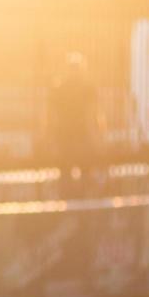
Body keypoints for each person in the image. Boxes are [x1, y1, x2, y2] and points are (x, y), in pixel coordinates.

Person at [44, 52, 106, 199]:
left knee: (65, 170)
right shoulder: (88, 89)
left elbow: (50, 115)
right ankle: (83, 199)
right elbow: (94, 114)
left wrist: (49, 135)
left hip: (64, 136)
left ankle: (67, 198)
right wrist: (98, 136)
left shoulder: (58, 89)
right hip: (82, 136)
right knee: (85, 168)